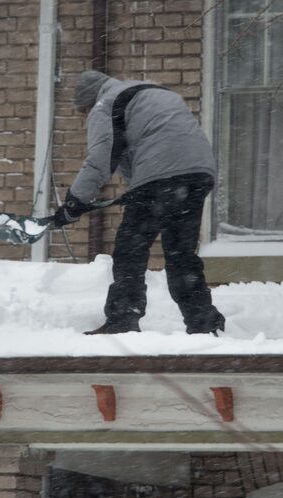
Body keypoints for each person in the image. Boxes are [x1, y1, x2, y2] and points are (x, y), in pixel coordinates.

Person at [52, 70, 226, 336]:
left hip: (162, 176)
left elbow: (101, 158)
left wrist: (74, 202)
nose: (85, 117)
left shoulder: (104, 104)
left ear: (88, 103)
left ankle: (123, 318)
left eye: (82, 112)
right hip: (197, 173)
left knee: (130, 251)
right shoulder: (151, 92)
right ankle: (203, 321)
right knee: (180, 253)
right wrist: (138, 189)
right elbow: (148, 147)